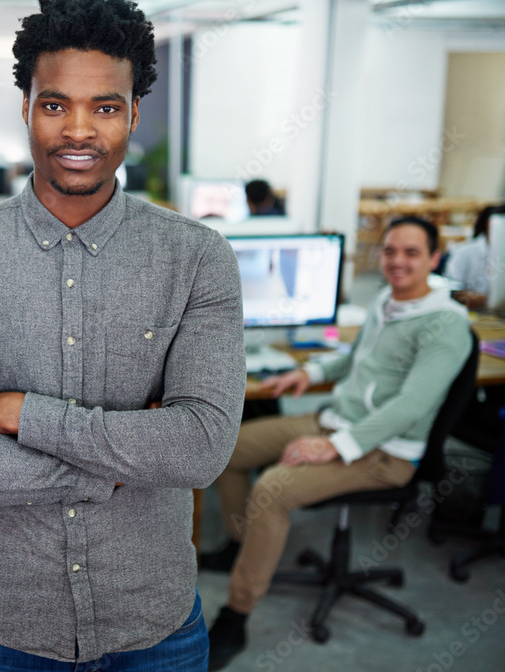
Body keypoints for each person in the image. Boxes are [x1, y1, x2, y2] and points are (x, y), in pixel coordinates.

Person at [0, 1, 247, 670]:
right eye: (55, 106)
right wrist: (112, 467)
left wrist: (21, 414)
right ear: (26, 106)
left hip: (152, 624)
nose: (79, 130)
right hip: (3, 626)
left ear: (134, 114)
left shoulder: (198, 258)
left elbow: (200, 447)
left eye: (106, 108)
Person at [201, 216, 471, 670]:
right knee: (224, 448)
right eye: (390, 251)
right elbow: (354, 359)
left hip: (383, 451)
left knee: (272, 489)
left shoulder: (444, 326)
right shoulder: (388, 301)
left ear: (434, 259)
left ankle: (236, 614)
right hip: (336, 422)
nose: (397, 262)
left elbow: (410, 405)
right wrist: (312, 372)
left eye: (411, 253)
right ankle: (240, 543)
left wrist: (335, 445)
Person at [446, 204, 504, 310]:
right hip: (471, 315)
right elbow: (452, 291)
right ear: (489, 224)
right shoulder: (464, 253)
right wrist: (486, 300)